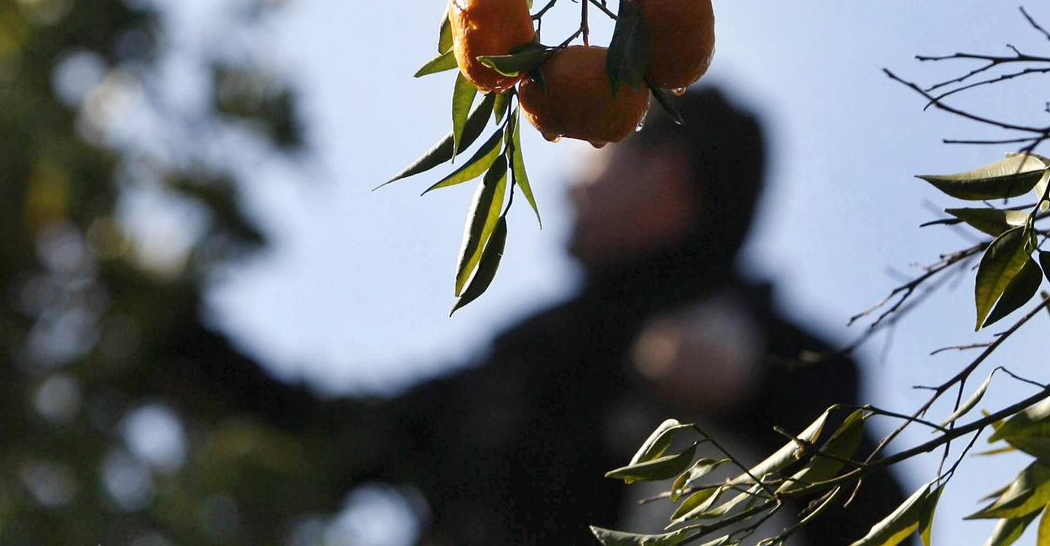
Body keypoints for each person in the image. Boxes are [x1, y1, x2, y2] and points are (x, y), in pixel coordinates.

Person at [160, 86, 909, 544]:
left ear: (664, 177)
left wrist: (756, 390)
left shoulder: (780, 362)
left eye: (600, 151)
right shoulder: (535, 358)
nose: (571, 184)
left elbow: (876, 519)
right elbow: (337, 440)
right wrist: (167, 333)